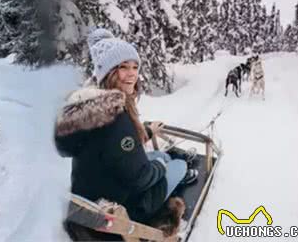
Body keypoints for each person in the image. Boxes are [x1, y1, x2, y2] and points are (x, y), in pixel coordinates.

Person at [54, 28, 198, 226]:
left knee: (160, 156)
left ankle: (164, 164)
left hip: (91, 201)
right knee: (175, 164)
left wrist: (147, 132)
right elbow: (140, 177)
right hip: (123, 211)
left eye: (134, 67)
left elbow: (113, 147)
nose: (132, 74)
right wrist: (162, 167)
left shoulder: (91, 111)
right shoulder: (116, 116)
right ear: (109, 72)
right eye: (123, 67)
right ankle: (175, 179)